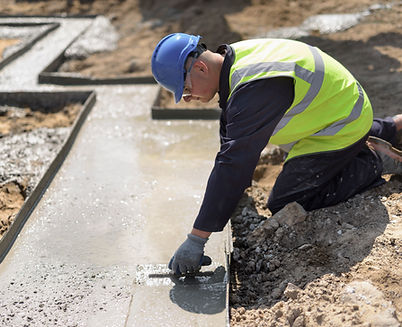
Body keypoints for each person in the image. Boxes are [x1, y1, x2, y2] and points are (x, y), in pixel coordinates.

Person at [151, 33, 402, 275]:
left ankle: (373, 160)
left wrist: (198, 237)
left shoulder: (255, 88)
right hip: (336, 105)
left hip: (338, 125)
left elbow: (234, 162)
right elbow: (231, 130)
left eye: (185, 90)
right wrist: (229, 194)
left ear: (201, 69)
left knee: (285, 202)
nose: (187, 98)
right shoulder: (236, 60)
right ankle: (388, 128)